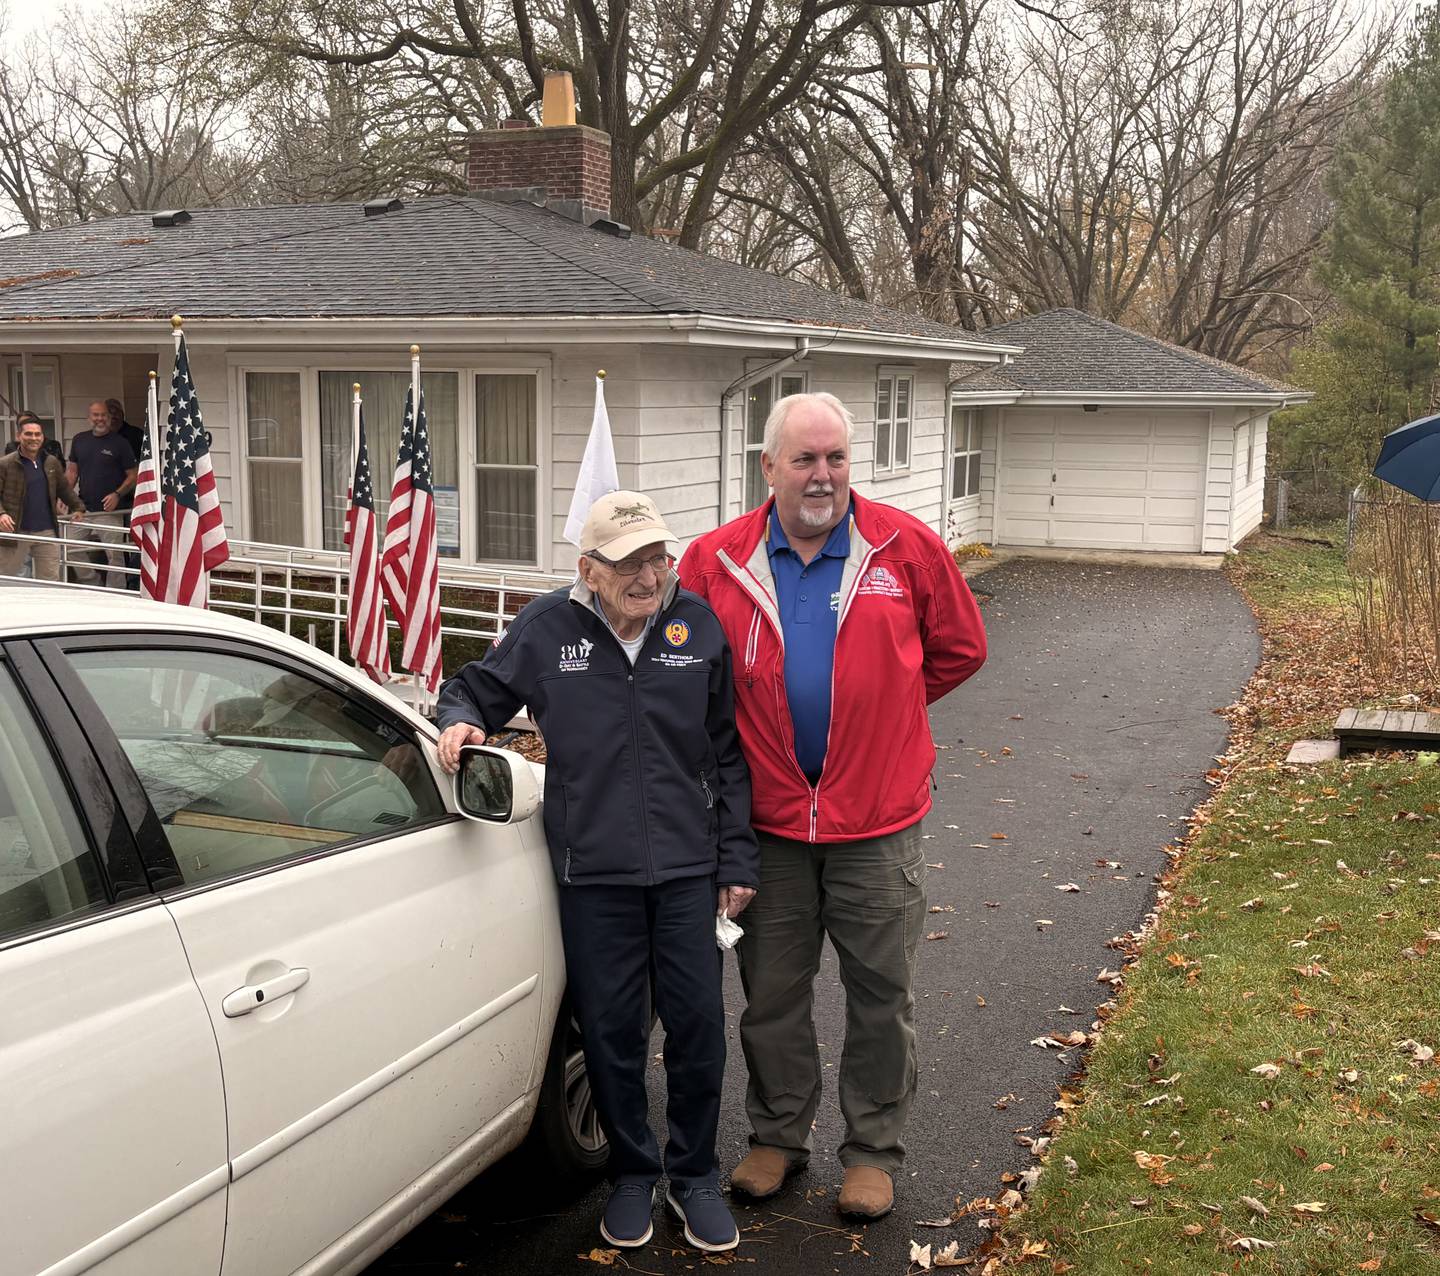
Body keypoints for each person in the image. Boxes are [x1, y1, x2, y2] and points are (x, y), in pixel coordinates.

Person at [679, 392, 987, 1221]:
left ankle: (872, 1151)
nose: (823, 476)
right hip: (767, 830)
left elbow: (960, 648)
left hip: (878, 827)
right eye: (806, 459)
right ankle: (777, 1138)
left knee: (881, 994)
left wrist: (882, 711)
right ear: (768, 466)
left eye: (837, 458)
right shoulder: (715, 562)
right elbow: (687, 678)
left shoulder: (906, 548)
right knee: (772, 994)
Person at [434, 490, 759, 1254]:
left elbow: (727, 753)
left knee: (697, 1028)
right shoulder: (549, 629)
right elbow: (476, 686)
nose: (650, 576)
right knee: (610, 1032)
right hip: (594, 873)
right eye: (629, 563)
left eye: (657, 557)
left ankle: (697, 1174)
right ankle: (634, 1173)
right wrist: (459, 717)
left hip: (685, 869)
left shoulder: (697, 626)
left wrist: (737, 856)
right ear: (589, 569)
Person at [0, 417, 85, 580]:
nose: (34, 438)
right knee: (8, 580)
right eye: (29, 434)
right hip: (15, 531)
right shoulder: (5, 464)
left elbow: (64, 489)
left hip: (46, 531)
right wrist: (1, 514)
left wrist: (78, 507)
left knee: (50, 581)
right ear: (19, 436)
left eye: (37, 434)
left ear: (42, 437)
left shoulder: (51, 462)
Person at [66, 400, 137, 589]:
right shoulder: (79, 440)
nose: (100, 419)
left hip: (110, 511)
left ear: (109, 417)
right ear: (89, 417)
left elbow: (133, 475)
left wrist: (117, 494)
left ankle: (117, 595)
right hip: (83, 509)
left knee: (115, 555)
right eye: (95, 415)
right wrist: (65, 497)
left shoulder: (120, 443)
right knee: (70, 548)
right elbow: (72, 472)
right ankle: (93, 584)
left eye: (103, 415)